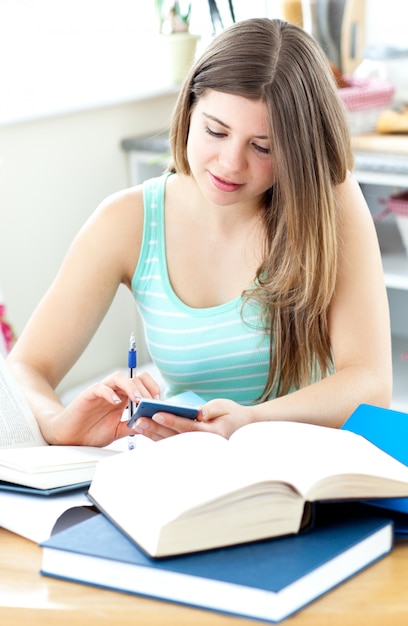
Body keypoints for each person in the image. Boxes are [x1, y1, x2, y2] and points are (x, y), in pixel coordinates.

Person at [7, 18, 391, 446]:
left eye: (262, 146)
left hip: (310, 469)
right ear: (189, 108)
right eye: (215, 131)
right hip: (192, 474)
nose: (230, 163)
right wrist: (58, 423)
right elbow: (25, 369)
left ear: (297, 150)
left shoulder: (330, 201)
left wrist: (249, 420)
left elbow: (370, 382)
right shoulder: (128, 220)